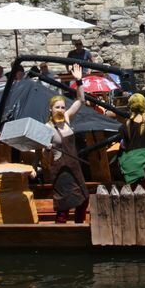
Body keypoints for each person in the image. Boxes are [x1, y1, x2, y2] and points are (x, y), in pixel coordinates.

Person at [45, 65, 89, 224]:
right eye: (57, 107)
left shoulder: (68, 119)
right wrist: (47, 149)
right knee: (64, 205)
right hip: (60, 169)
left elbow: (81, 100)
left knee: (84, 199)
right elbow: (42, 154)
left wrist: (79, 81)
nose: (61, 110)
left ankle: (79, 225)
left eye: (63, 107)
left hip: (74, 166)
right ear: (51, 109)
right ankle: (60, 232)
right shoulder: (47, 128)